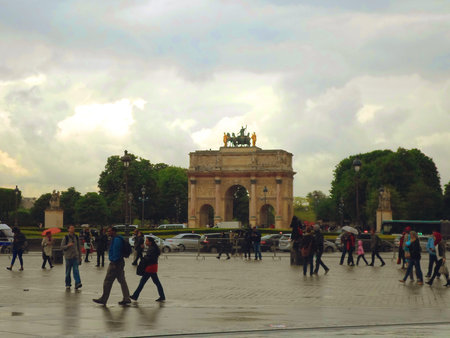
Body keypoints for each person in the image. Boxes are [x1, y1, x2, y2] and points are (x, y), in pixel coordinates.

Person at [93, 226, 131, 306]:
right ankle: (126, 298)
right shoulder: (118, 238)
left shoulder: (116, 240)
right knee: (122, 280)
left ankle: (104, 299)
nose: (108, 233)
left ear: (114, 232)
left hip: (115, 263)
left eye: (109, 231)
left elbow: (116, 252)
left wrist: (113, 262)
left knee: (107, 281)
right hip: (120, 262)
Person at [130, 237, 166, 302]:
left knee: (142, 282)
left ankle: (135, 296)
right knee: (156, 282)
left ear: (150, 242)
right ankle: (162, 296)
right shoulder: (153, 248)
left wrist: (142, 258)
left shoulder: (152, 249)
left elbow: (148, 258)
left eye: (146, 241)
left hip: (150, 267)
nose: (145, 242)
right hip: (153, 267)